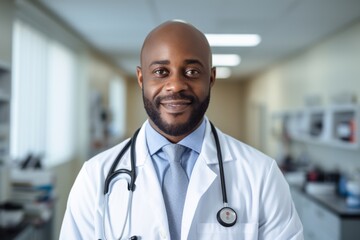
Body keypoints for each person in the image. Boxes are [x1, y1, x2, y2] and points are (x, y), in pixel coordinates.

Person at [60, 20, 303, 240]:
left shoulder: (261, 174)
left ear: (211, 78)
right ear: (141, 79)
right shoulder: (95, 177)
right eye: (160, 72)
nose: (175, 85)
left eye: (192, 72)